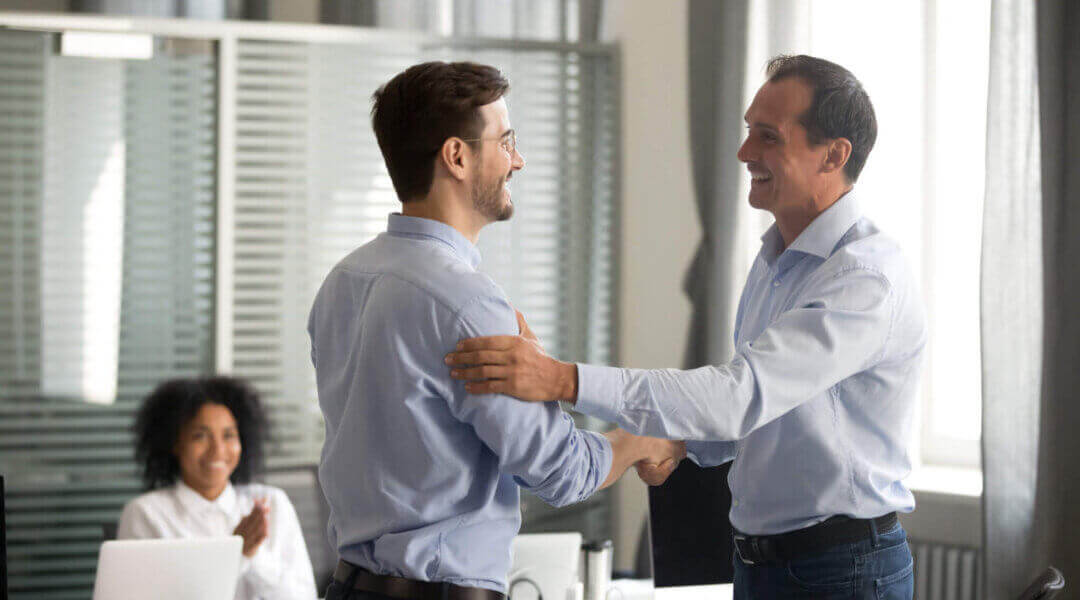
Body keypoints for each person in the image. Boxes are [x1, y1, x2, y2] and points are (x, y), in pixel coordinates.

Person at [446, 54, 927, 599]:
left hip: (839, 571)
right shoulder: (776, 257)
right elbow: (760, 414)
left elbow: (739, 396)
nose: (745, 153)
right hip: (762, 564)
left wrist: (564, 380)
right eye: (749, 132)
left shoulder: (864, 278)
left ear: (833, 155)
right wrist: (674, 440)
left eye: (768, 137)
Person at [307, 61, 684, 600]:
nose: (518, 160)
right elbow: (561, 471)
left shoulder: (344, 281)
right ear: (457, 157)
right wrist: (639, 438)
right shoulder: (467, 301)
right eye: (505, 141)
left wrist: (539, 375)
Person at [118, 377, 318, 600]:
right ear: (174, 443)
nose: (217, 450)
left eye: (229, 435)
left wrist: (254, 555)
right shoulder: (146, 514)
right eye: (200, 436)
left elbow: (303, 596)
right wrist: (236, 553)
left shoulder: (271, 503)